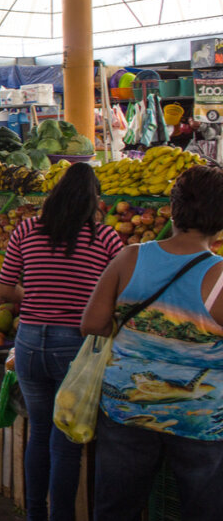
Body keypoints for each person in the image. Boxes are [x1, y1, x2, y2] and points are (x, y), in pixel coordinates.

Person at [81, 166, 223, 521]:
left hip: (127, 405)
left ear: (172, 209)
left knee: (116, 509)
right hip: (199, 417)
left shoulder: (130, 257)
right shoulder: (220, 276)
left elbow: (92, 324)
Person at [0, 163, 125, 521]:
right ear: (94, 200)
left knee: (39, 431)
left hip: (28, 342)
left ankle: (35, 514)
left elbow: (3, 291)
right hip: (73, 347)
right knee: (65, 440)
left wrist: (35, 295)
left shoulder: (26, 230)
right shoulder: (107, 238)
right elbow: (122, 295)